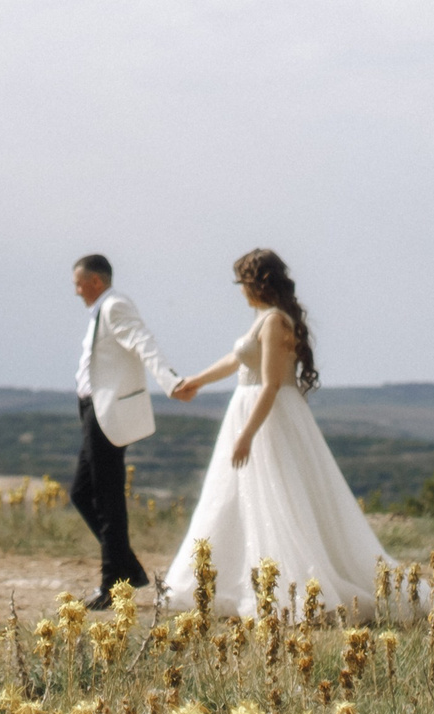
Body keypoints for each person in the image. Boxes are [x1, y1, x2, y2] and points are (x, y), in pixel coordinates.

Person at [165, 248, 388, 616]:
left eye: (241, 282)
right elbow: (237, 360)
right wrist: (197, 381)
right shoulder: (265, 319)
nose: (239, 290)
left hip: (266, 419)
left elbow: (270, 384)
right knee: (236, 498)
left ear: (256, 284)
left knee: (277, 496)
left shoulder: (273, 322)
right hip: (251, 411)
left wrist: (246, 435)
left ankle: (285, 586)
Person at [70, 253, 184, 609]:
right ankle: (129, 569)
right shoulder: (101, 310)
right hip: (93, 411)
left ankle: (112, 583)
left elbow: (142, 342)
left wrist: (170, 381)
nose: (76, 291)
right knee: (81, 492)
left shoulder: (115, 306)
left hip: (106, 412)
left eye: (78, 284)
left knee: (107, 498)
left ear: (96, 281)